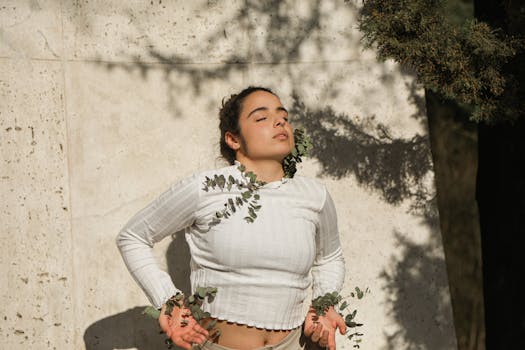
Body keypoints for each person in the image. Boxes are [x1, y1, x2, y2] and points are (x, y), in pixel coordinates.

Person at [116, 86, 347, 350]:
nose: (279, 121)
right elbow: (132, 237)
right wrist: (168, 300)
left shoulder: (314, 196)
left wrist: (323, 304)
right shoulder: (206, 188)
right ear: (233, 139)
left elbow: (330, 258)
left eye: (283, 115)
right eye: (261, 118)